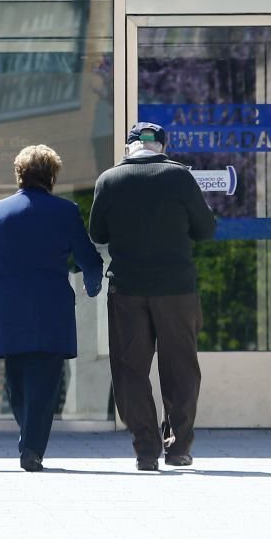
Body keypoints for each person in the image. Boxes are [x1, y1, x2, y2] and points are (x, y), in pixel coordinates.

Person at [0, 145, 102, 472]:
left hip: (9, 312)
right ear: (52, 176)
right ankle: (32, 447)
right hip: (52, 310)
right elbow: (88, 259)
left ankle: (27, 441)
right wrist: (93, 284)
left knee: (16, 383)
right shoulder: (65, 211)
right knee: (46, 384)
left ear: (19, 174)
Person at [89, 122, 215, 471]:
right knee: (180, 367)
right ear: (162, 146)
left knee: (130, 368)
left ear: (129, 147)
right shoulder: (179, 178)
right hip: (176, 288)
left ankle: (146, 450)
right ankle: (178, 448)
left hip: (127, 288)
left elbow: (96, 232)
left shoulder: (109, 180)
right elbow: (206, 230)